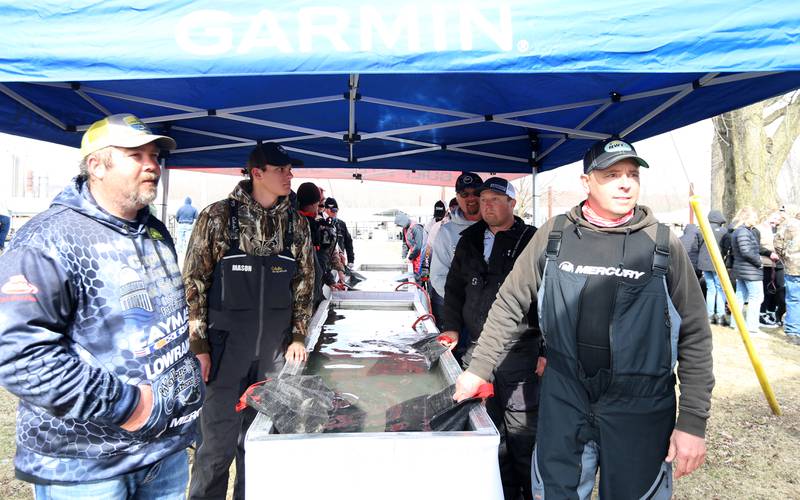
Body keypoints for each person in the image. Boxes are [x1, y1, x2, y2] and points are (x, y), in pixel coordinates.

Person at [454, 138, 714, 499]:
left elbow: (696, 334)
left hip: (641, 405)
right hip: (566, 397)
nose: (625, 183)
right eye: (612, 175)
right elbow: (510, 302)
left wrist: (692, 422)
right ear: (586, 181)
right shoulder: (555, 235)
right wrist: (478, 369)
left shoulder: (661, 243)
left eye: (632, 175)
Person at [0, 113, 204, 497]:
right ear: (96, 165)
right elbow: (19, 356)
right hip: (87, 463)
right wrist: (127, 405)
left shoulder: (155, 231)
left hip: (163, 450)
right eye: (136, 155)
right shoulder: (47, 239)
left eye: (155, 156)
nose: (152, 165)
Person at [184, 142, 315, 500]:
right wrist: (199, 345)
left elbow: (305, 284)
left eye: (290, 169)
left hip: (274, 354)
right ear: (257, 173)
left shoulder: (295, 225)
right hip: (225, 352)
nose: (290, 176)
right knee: (216, 448)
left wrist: (298, 337)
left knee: (259, 448)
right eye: (281, 169)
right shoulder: (217, 218)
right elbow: (194, 281)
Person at [439, 177, 539, 500]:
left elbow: (549, 297)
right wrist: (452, 326)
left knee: (523, 432)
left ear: (512, 204)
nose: (486, 205)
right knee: (487, 430)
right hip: (476, 350)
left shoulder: (530, 240)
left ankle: (530, 491)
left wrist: (545, 349)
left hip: (519, 351)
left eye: (495, 199)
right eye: (482, 200)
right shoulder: (468, 239)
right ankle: (499, 491)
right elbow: (453, 288)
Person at [430, 172, 483, 334]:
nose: (471, 198)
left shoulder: (496, 226)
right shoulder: (446, 232)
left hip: (495, 315)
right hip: (462, 315)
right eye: (464, 194)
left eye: (476, 192)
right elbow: (438, 277)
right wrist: (465, 304)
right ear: (457, 197)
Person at [297, 182, 345, 306]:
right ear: (315, 203)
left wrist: (330, 279)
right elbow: (316, 261)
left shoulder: (316, 225)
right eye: (320, 202)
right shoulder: (307, 227)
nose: (321, 206)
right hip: (305, 292)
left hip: (313, 287)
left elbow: (319, 261)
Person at [731, 206, 764, 333]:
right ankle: (752, 327)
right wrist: (758, 262)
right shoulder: (743, 232)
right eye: (754, 217)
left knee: (740, 297)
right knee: (756, 297)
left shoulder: (739, 231)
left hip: (743, 270)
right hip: (750, 270)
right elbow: (745, 251)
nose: (756, 220)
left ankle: (736, 324)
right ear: (746, 217)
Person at [697, 210, 730, 325]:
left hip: (704, 263)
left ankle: (709, 315)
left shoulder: (702, 229)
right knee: (720, 289)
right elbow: (726, 248)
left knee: (711, 289)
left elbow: (698, 244)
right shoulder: (723, 231)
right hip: (717, 263)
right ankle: (720, 315)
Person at [775, 205, 800, 344]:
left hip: (793, 267)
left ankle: (793, 332)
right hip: (794, 267)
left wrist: (785, 257)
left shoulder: (789, 225)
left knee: (794, 299)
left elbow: (778, 243)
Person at [756, 210, 786, 328]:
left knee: (777, 290)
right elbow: (757, 246)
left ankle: (771, 311)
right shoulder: (758, 229)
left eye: (778, 220)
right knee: (765, 289)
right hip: (765, 263)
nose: (776, 222)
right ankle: (762, 314)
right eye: (775, 218)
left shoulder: (778, 229)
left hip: (778, 264)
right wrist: (769, 253)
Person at [324, 197, 355, 267]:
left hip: (340, 262)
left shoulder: (341, 224)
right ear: (326, 210)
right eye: (333, 210)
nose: (335, 213)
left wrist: (351, 260)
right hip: (327, 263)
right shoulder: (322, 223)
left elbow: (348, 242)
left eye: (336, 210)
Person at [394, 212, 425, 278]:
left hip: (420, 256)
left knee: (418, 276)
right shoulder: (405, 229)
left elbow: (418, 246)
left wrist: (410, 257)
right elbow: (405, 244)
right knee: (413, 274)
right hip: (414, 255)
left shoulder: (416, 227)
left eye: (400, 225)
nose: (401, 227)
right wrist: (404, 257)